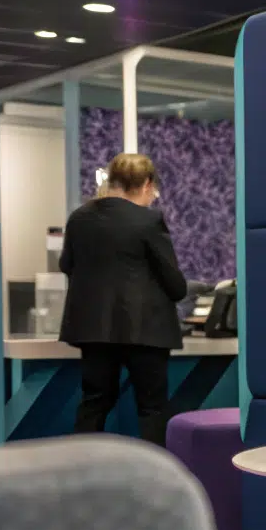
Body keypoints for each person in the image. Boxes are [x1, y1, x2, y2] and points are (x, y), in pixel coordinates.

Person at [59, 153, 187, 447]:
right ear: (146, 184)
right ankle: (156, 481)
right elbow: (174, 282)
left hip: (93, 330)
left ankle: (80, 474)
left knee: (94, 403)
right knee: (152, 408)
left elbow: (67, 265)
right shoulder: (149, 219)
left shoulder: (79, 217)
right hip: (145, 329)